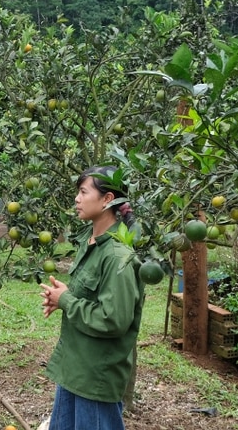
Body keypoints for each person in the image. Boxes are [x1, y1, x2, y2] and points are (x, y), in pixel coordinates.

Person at [39, 166, 145, 430]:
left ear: (107, 199)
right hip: (74, 368)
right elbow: (91, 296)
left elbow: (113, 320)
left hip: (96, 377)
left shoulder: (118, 256)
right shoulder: (91, 241)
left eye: (83, 191)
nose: (77, 198)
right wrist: (62, 296)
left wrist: (67, 301)